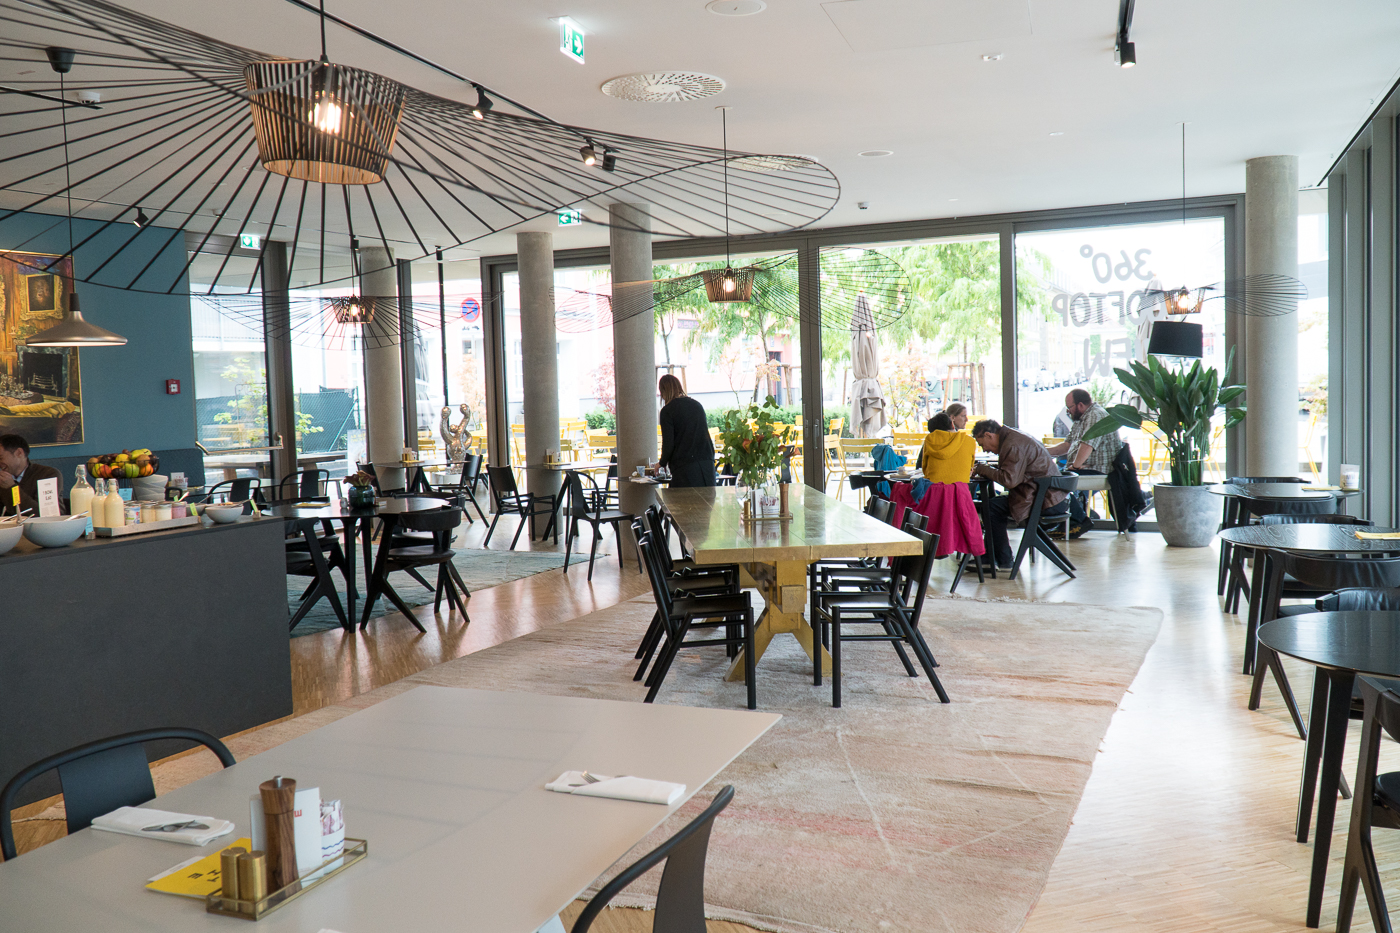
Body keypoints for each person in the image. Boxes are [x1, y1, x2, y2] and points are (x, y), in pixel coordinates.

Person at [971, 419, 1066, 569]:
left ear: (989, 435)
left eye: (982, 444)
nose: (984, 450)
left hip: (1044, 502)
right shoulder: (1013, 436)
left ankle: (1000, 559)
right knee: (993, 505)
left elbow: (1009, 480)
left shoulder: (1012, 444)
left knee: (991, 507)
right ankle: (997, 557)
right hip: (1049, 497)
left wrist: (982, 469)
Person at [1046, 388, 1123, 536]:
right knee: (1053, 478)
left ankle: (1078, 521)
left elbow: (1087, 445)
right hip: (1088, 467)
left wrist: (1074, 467)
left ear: (1080, 405)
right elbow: (1067, 445)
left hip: (1100, 470)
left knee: (1057, 481)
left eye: (1069, 408)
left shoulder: (1095, 415)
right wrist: (1042, 451)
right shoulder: (1083, 418)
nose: (1068, 412)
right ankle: (1070, 521)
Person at [656, 374, 715, 487]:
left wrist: (661, 463)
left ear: (663, 391)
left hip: (685, 467)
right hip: (707, 464)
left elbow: (668, 443)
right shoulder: (697, 405)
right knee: (706, 503)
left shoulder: (667, 411)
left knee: (681, 503)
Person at [0, 433, 64, 516]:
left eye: (0, 458)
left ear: (19, 453)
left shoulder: (48, 475)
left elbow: (41, 514)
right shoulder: (2, 479)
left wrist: (11, 488)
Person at [917, 412, 976, 483]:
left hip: (934, 490)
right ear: (952, 425)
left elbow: (925, 469)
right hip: (960, 491)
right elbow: (970, 469)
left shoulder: (930, 440)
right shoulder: (970, 441)